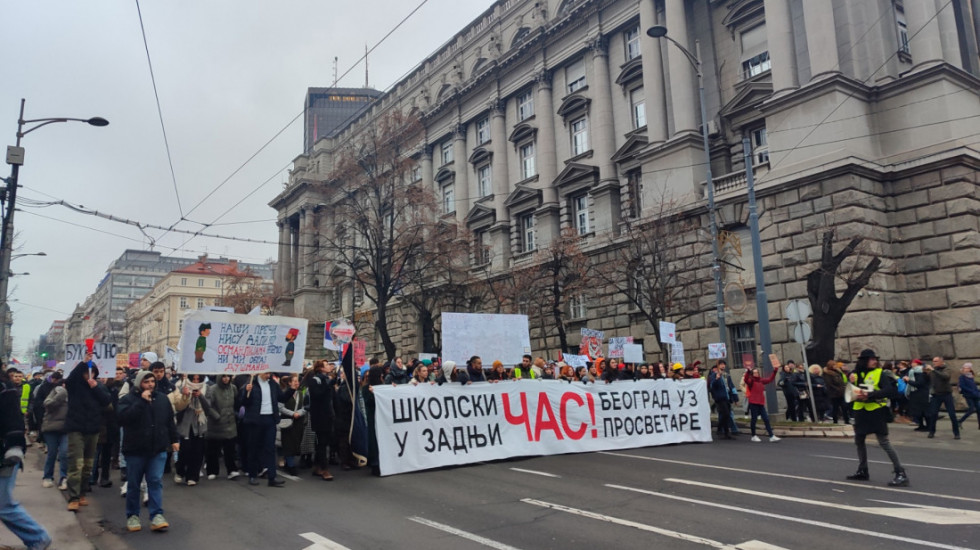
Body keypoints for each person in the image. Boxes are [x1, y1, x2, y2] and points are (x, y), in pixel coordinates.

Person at [117, 370, 179, 532]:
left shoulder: (162, 399)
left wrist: (174, 440)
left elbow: (169, 421)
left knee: (155, 482)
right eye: (146, 382)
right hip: (135, 450)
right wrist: (141, 403)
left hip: (157, 449)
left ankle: (157, 515)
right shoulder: (128, 399)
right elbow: (123, 419)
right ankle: (132, 516)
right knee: (134, 484)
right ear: (139, 384)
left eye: (152, 381)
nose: (150, 384)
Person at [1, 369, 52, 550]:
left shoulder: (5, 390)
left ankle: (38, 537)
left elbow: (14, 423)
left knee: (3, 505)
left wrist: (14, 448)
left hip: (4, 455)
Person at [846, 349, 908, 486]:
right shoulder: (856, 373)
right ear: (864, 360)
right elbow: (849, 389)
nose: (874, 361)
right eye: (871, 359)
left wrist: (871, 394)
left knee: (884, 442)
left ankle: (900, 472)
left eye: (875, 359)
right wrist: (850, 381)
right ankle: (862, 470)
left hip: (876, 410)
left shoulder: (880, 373)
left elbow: (890, 390)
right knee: (859, 440)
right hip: (860, 410)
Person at [64, 354, 111, 511]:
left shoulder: (99, 387)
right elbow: (69, 380)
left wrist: (95, 387)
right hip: (76, 428)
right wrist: (83, 363)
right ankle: (73, 497)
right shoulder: (74, 386)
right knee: (76, 464)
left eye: (91, 373)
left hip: (93, 429)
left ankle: (82, 493)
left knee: (88, 465)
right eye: (86, 373)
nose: (88, 376)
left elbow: (106, 402)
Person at [241, 372, 293, 486]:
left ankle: (272, 477)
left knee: (270, 448)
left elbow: (282, 398)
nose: (268, 375)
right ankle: (253, 475)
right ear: (260, 372)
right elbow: (243, 402)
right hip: (255, 419)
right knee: (254, 448)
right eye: (266, 373)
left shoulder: (273, 384)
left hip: (270, 418)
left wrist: (291, 389)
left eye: (270, 373)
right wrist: (246, 392)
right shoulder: (251, 383)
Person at [173, 374, 215, 486]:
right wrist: (185, 396)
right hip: (187, 422)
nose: (196, 381)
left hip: (200, 423)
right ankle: (180, 471)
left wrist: (200, 396)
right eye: (193, 379)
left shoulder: (207, 388)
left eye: (198, 379)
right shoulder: (181, 386)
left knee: (198, 451)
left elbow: (208, 407)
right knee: (185, 449)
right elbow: (178, 406)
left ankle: (193, 476)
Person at [205, 374, 241, 480]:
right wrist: (216, 416)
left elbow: (236, 402)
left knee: (229, 449)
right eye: (224, 376)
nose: (226, 379)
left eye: (228, 376)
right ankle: (212, 470)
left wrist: (237, 413)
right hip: (216, 424)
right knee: (213, 449)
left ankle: (232, 470)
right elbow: (208, 406)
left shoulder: (233, 388)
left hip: (230, 423)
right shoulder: (212, 389)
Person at [304, 361, 335, 481]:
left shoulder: (326, 379)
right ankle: (324, 469)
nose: (329, 367)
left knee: (323, 442)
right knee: (322, 443)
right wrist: (328, 385)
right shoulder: (314, 380)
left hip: (328, 415)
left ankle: (317, 466)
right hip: (319, 416)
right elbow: (317, 395)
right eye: (326, 365)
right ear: (321, 368)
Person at [40, 372, 69, 490]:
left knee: (64, 453)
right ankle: (47, 477)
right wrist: (60, 396)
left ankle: (64, 477)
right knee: (52, 453)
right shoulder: (54, 394)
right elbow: (47, 405)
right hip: (51, 428)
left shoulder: (73, 396)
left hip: (66, 429)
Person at [278, 375, 307, 476]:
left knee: (296, 442)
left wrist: (300, 413)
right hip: (287, 421)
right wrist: (292, 413)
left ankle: (288, 462)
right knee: (288, 443)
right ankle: (290, 465)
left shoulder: (300, 393)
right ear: (289, 383)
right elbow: (280, 407)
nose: (296, 383)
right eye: (294, 381)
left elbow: (305, 406)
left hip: (298, 421)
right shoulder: (284, 393)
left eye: (297, 381)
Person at [925, 356, 960, 439]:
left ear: (941, 362)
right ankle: (931, 432)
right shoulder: (932, 371)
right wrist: (925, 372)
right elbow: (928, 379)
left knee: (952, 414)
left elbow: (945, 377)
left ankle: (956, 433)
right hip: (936, 395)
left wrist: (934, 370)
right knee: (933, 414)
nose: (934, 363)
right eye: (933, 361)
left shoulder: (946, 369)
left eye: (936, 361)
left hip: (946, 394)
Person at [742, 366, 780, 442]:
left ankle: (771, 436)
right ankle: (753, 435)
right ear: (752, 374)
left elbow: (770, 379)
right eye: (754, 373)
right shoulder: (751, 381)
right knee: (754, 419)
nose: (756, 374)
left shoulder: (761, 380)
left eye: (757, 372)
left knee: (766, 419)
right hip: (753, 403)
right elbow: (746, 379)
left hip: (761, 403)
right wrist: (748, 371)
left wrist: (775, 370)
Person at [709, 363, 735, 439]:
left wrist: (732, 397)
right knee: (725, 414)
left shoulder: (725, 376)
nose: (723, 366)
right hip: (720, 398)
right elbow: (712, 385)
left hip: (726, 397)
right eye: (721, 365)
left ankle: (723, 430)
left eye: (724, 365)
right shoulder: (714, 375)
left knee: (726, 415)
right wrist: (716, 379)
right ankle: (723, 430)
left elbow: (728, 386)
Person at [904, 359, 930, 431]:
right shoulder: (912, 372)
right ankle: (921, 425)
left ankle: (928, 426)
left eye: (912, 363)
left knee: (924, 411)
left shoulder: (921, 372)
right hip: (915, 394)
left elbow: (919, 383)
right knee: (917, 412)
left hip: (921, 394)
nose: (911, 364)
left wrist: (908, 380)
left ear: (917, 364)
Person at [824, 360, 848, 424]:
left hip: (841, 392)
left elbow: (841, 381)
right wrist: (838, 389)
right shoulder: (828, 373)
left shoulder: (838, 372)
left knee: (844, 407)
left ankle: (847, 420)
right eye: (834, 365)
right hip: (834, 394)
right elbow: (829, 384)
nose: (835, 366)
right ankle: (835, 421)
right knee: (835, 408)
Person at [956, 363, 979, 429]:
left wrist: (977, 391)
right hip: (968, 395)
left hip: (975, 395)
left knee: (979, 410)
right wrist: (972, 391)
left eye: (968, 368)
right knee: (971, 409)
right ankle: (959, 421)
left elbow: (974, 385)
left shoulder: (972, 376)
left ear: (970, 369)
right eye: (965, 368)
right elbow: (962, 386)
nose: (966, 369)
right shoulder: (962, 377)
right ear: (963, 369)